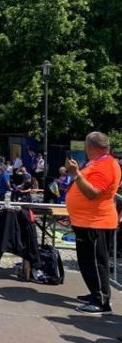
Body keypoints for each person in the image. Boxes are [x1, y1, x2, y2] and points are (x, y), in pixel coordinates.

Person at [65, 132, 121, 314]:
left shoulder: (106, 165)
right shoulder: (100, 163)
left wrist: (76, 175)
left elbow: (93, 193)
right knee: (87, 261)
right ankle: (95, 293)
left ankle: (101, 301)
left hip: (96, 222)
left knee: (96, 262)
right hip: (87, 221)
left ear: (90, 147)